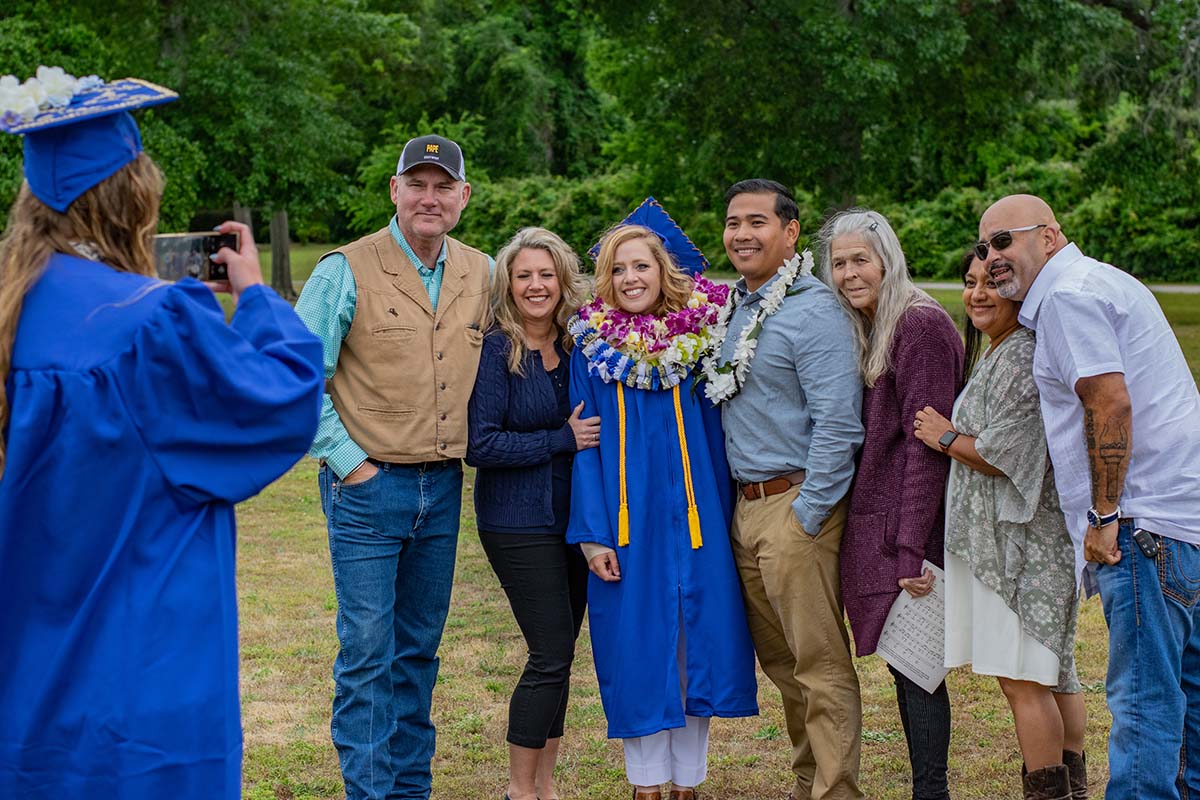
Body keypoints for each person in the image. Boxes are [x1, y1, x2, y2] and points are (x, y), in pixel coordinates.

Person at [0, 73, 323, 799]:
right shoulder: (150, 323)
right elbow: (281, 403)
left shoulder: (9, 315)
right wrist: (259, 299)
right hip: (136, 692)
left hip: (20, 688)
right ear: (133, 196)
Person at [977, 193, 1200, 800]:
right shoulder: (1097, 282)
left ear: (1049, 237)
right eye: (983, 246)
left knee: (1146, 700)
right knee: (1187, 696)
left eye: (1004, 241)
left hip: (1142, 524)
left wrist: (1105, 515)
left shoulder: (1068, 297)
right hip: (1182, 521)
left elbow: (1108, 401)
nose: (992, 257)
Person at [293, 134, 492, 800]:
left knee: (416, 656)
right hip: (367, 490)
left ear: (463, 196)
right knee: (368, 659)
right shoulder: (343, 269)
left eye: (444, 186)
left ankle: (411, 791)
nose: (430, 198)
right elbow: (296, 377)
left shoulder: (483, 272)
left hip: (443, 489)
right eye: (418, 184)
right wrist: (350, 465)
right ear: (394, 190)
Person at [566, 202, 758, 800]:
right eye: (619, 268)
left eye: (642, 265)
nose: (630, 277)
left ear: (663, 270)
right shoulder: (593, 351)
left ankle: (687, 785)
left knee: (695, 642)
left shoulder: (702, 343)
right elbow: (584, 446)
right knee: (639, 647)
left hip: (699, 517)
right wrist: (593, 534)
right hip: (629, 524)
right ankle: (646, 785)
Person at [706, 179, 865, 800]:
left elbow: (838, 421)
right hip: (744, 511)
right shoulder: (731, 308)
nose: (741, 234)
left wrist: (808, 513)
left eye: (756, 222)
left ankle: (836, 791)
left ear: (790, 232)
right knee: (782, 665)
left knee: (819, 665)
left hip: (796, 509)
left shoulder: (813, 309)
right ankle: (809, 782)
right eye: (732, 222)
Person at [913, 251, 1087, 800]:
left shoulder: (1020, 357)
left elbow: (1006, 452)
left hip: (1021, 547)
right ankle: (1072, 788)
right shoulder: (1000, 351)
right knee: (1052, 674)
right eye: (969, 283)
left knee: (1025, 681)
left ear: (1019, 290)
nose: (978, 294)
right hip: (1014, 540)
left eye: (992, 283)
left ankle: (1050, 793)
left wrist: (944, 436)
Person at [819, 209, 963, 800]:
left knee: (918, 668)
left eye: (861, 260)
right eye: (840, 263)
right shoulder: (875, 322)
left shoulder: (918, 325)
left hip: (911, 530)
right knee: (908, 667)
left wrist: (910, 549)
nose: (850, 273)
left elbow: (927, 447)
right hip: (885, 521)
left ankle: (932, 791)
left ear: (887, 261)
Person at [466, 227, 594, 800]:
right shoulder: (496, 350)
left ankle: (547, 787)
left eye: (546, 275)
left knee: (562, 654)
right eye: (524, 276)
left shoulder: (579, 346)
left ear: (562, 280)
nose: (536, 286)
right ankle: (521, 790)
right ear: (508, 285)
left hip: (577, 519)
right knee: (550, 651)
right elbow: (480, 444)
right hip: (517, 521)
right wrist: (559, 439)